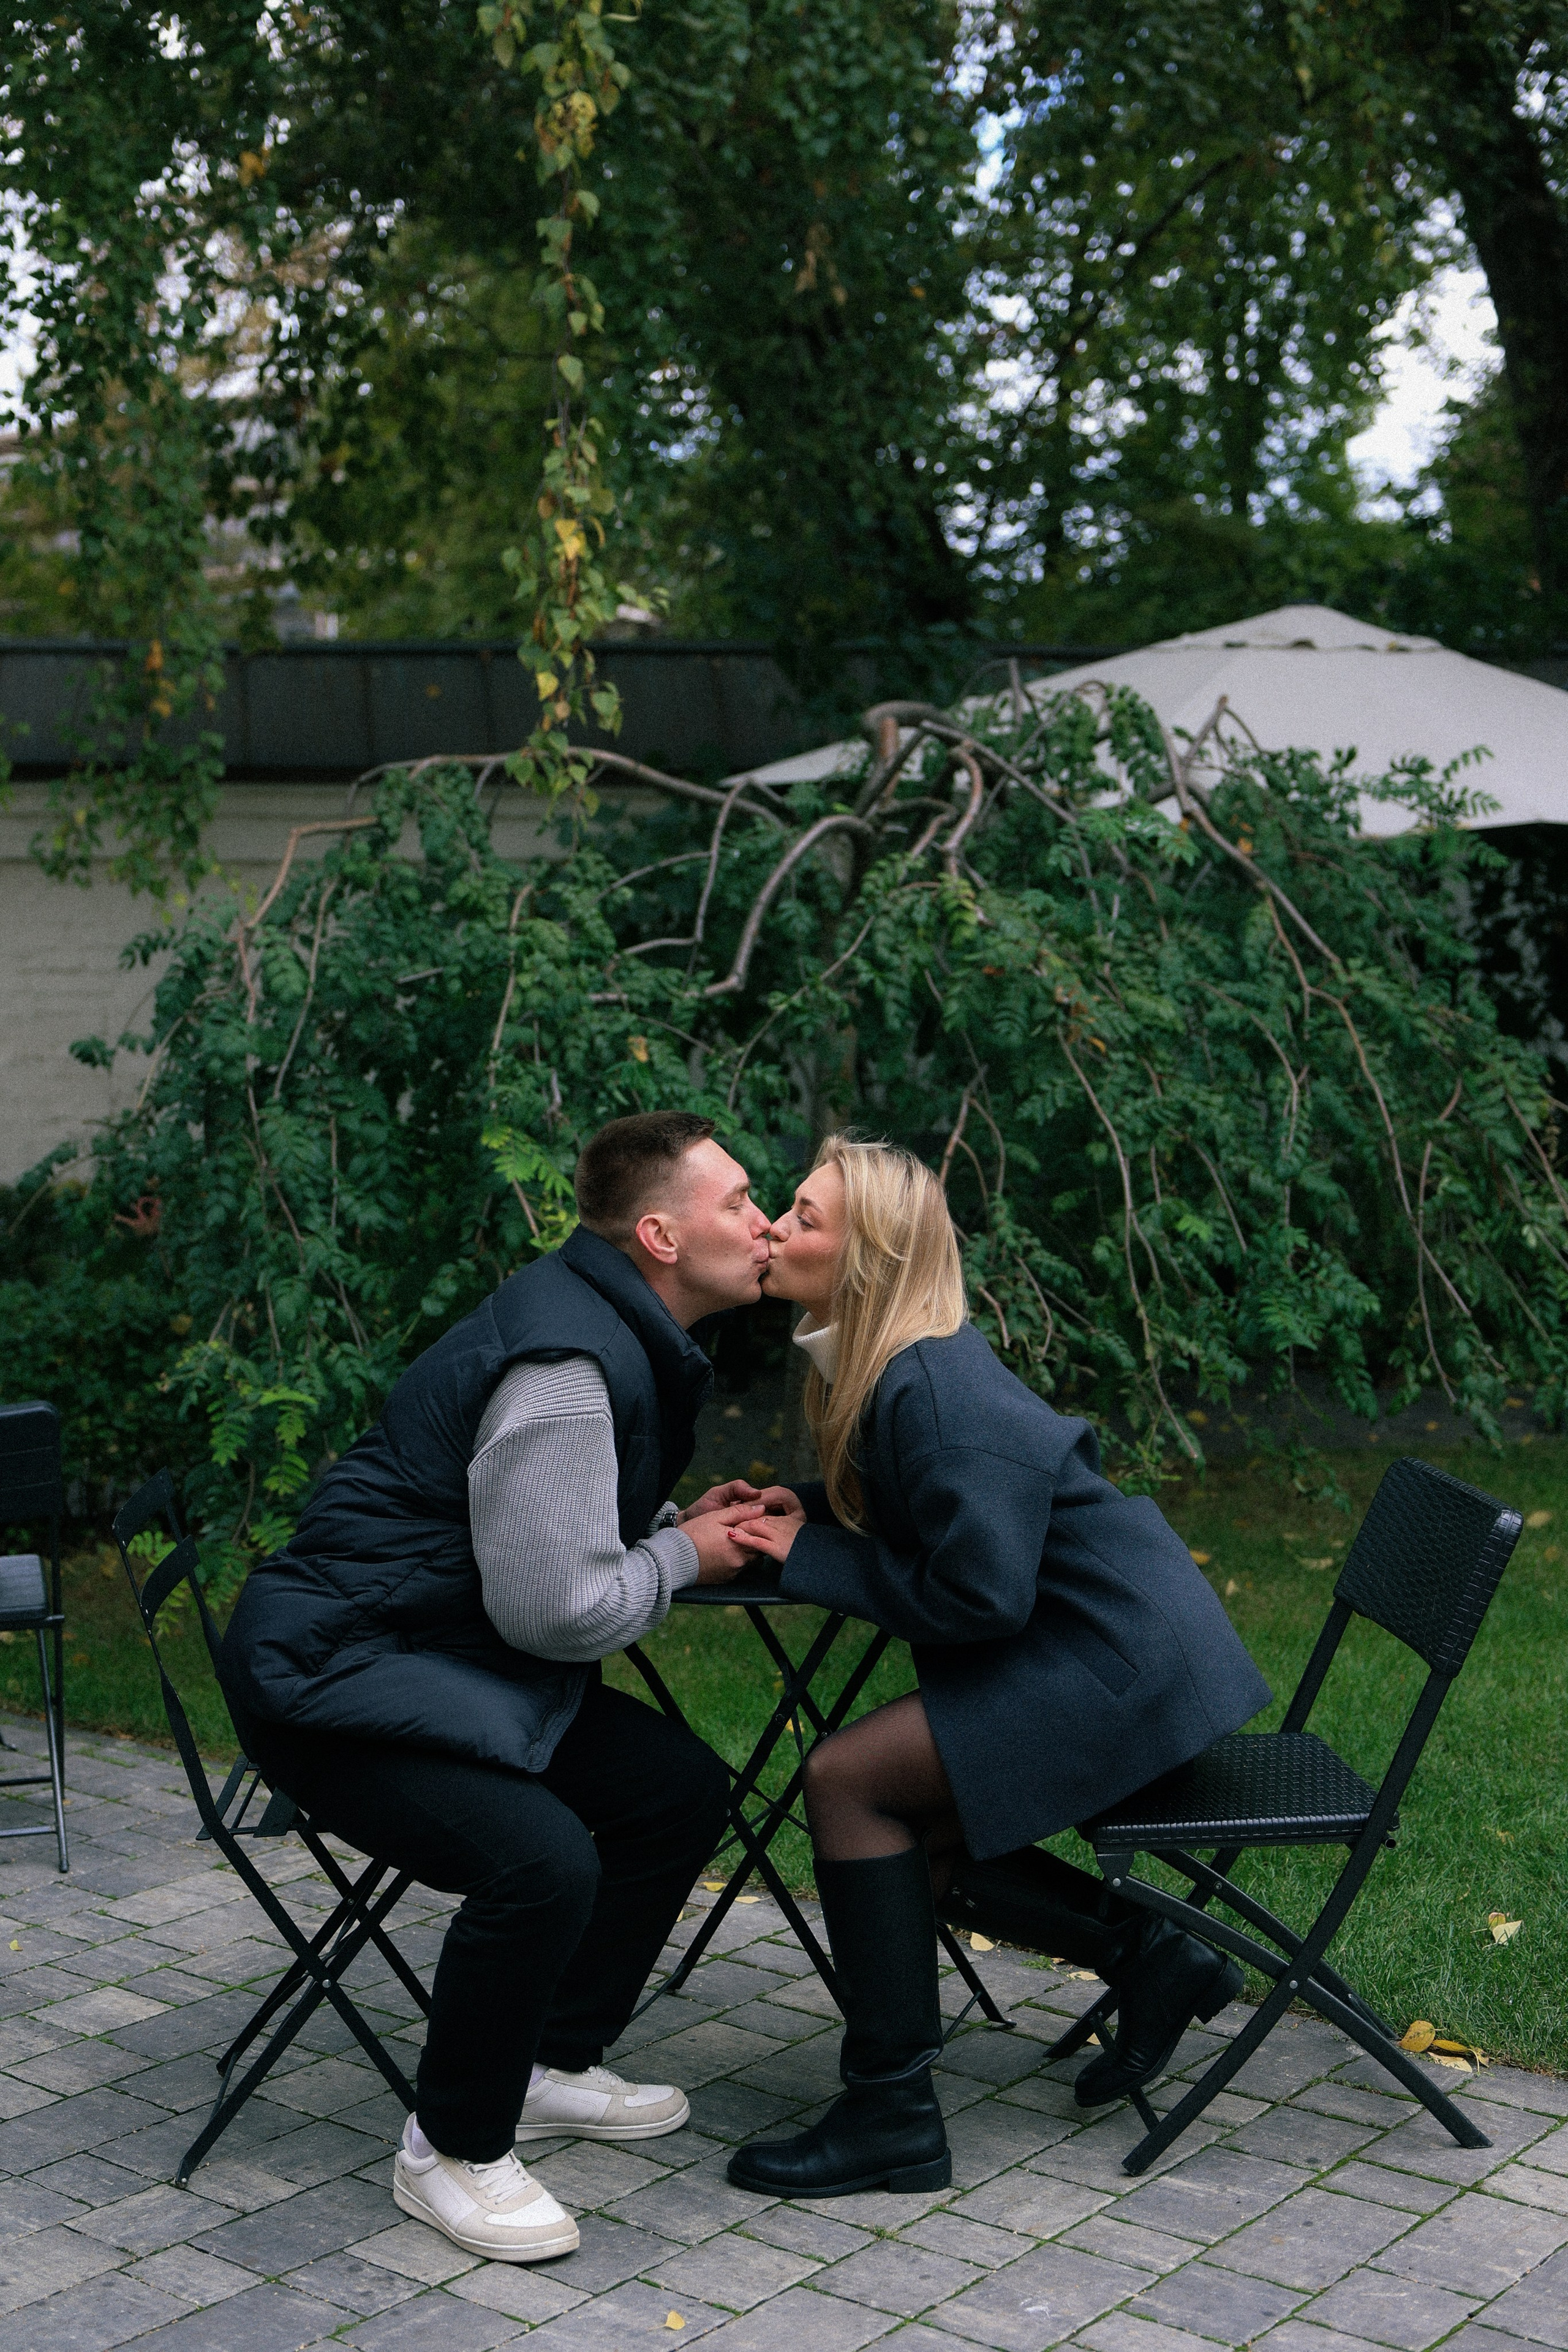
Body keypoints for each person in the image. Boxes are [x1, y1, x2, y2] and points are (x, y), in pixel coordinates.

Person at [218, 1111, 770, 2262]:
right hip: (330, 1680)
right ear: (661, 1238)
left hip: (427, 1651)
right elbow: (557, 1613)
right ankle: (453, 2150)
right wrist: (684, 1561)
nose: (763, 1222)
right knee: (541, 1860)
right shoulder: (572, 1367)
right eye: (739, 1203)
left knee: (673, 1791)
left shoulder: (604, 1326)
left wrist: (669, 1526)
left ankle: (548, 2063)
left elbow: (530, 1529)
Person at [724, 1136, 1272, 2198]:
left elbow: (979, 1597)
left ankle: (892, 2114)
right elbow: (946, 1525)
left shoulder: (928, 1386)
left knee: (847, 1780)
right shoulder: (903, 1367)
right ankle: (1150, 1957)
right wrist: (820, 1517)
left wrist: (816, 1558)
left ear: (868, 1258)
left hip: (1119, 1665)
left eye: (804, 1215)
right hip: (1107, 1645)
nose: (777, 1228)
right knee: (901, 1822)